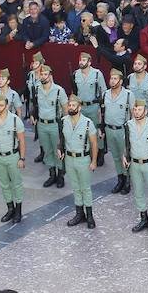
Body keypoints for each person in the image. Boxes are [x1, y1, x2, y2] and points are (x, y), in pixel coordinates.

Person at [59, 95, 98, 229]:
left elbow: (94, 143)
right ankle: (79, 214)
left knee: (85, 188)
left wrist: (94, 161)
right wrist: (59, 148)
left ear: (79, 108)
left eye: (73, 105)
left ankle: (89, 215)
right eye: (69, 105)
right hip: (69, 159)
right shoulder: (63, 121)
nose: (70, 107)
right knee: (75, 188)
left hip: (83, 159)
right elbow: (61, 138)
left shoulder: (87, 123)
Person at [0, 92, 25, 223]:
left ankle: (18, 210)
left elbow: (22, 141)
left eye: (1, 105)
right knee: (4, 184)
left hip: (12, 156)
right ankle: (10, 209)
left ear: (7, 106)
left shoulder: (15, 120)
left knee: (16, 184)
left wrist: (22, 158)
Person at [125, 99, 148, 234]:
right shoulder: (128, 125)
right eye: (135, 110)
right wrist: (124, 155)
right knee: (138, 192)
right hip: (134, 164)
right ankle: (144, 219)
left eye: (139, 109)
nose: (136, 112)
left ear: (145, 111)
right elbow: (126, 143)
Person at [34, 64, 67, 189]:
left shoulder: (59, 90)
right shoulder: (37, 89)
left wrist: (65, 126)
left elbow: (65, 109)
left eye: (45, 74)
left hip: (55, 125)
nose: (43, 77)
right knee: (47, 150)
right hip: (42, 124)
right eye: (41, 74)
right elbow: (35, 105)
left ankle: (60, 175)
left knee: (57, 150)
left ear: (50, 76)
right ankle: (52, 175)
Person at [72, 51, 107, 166]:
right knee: (83, 130)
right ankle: (88, 151)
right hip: (81, 107)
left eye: (83, 60)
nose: (81, 62)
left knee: (97, 130)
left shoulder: (97, 74)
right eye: (80, 60)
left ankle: (100, 152)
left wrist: (102, 108)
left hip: (94, 107)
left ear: (89, 62)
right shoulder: (75, 74)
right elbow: (74, 92)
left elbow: (103, 91)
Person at [103, 68, 133, 195]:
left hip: (122, 130)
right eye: (111, 78)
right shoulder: (105, 94)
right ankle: (120, 179)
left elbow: (133, 113)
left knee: (124, 156)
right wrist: (101, 127)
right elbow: (101, 111)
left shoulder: (128, 95)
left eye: (115, 79)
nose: (112, 81)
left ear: (120, 81)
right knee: (115, 157)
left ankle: (127, 180)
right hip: (109, 129)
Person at [25, 52, 45, 162]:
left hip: (43, 104)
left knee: (42, 128)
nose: (34, 64)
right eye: (33, 62)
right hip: (33, 103)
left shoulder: (45, 74)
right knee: (37, 128)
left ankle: (47, 151)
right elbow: (27, 88)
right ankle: (42, 151)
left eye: (36, 63)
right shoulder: (31, 74)